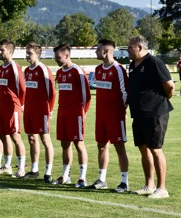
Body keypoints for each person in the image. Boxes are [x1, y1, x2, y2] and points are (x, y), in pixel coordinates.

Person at [127, 35, 175, 198]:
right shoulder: (132, 64)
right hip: (138, 114)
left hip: (155, 113)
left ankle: (162, 189)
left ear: (139, 47)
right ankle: (149, 185)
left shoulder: (154, 62)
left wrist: (161, 100)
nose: (128, 49)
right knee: (143, 149)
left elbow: (169, 85)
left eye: (130, 47)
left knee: (156, 149)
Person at [87, 39, 129, 192]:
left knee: (119, 147)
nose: (96, 52)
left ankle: (124, 182)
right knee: (101, 146)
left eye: (98, 49)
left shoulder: (118, 69)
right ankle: (102, 179)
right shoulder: (98, 69)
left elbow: (125, 93)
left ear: (105, 51)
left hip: (115, 116)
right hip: (101, 116)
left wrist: (119, 111)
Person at [52, 44, 91, 187]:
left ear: (67, 55)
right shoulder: (60, 72)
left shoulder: (77, 71)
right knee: (64, 144)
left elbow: (86, 95)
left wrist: (82, 113)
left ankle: (82, 177)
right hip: (62, 113)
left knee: (78, 143)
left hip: (76, 114)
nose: (56, 59)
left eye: (58, 57)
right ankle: (65, 175)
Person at [22, 42, 55, 183]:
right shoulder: (27, 71)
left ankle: (48, 172)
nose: (27, 55)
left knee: (45, 139)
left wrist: (50, 109)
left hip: (41, 110)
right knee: (32, 139)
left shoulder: (43, 69)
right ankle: (34, 170)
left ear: (37, 54)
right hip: (29, 110)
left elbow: (51, 92)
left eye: (30, 53)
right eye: (27, 52)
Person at [0, 39, 27, 178]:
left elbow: (22, 89)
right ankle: (7, 165)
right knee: (3, 135)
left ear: (10, 51)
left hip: (13, 107)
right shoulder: (0, 68)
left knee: (15, 136)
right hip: (1, 107)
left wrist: (20, 104)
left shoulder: (15, 68)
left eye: (2, 50)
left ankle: (21, 168)